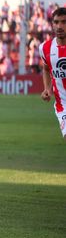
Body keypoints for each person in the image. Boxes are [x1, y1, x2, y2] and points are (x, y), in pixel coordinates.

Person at [40, 7, 66, 141]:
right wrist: (47, 89)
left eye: (63, 22)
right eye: (56, 22)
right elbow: (46, 68)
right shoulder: (45, 48)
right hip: (63, 105)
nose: (59, 26)